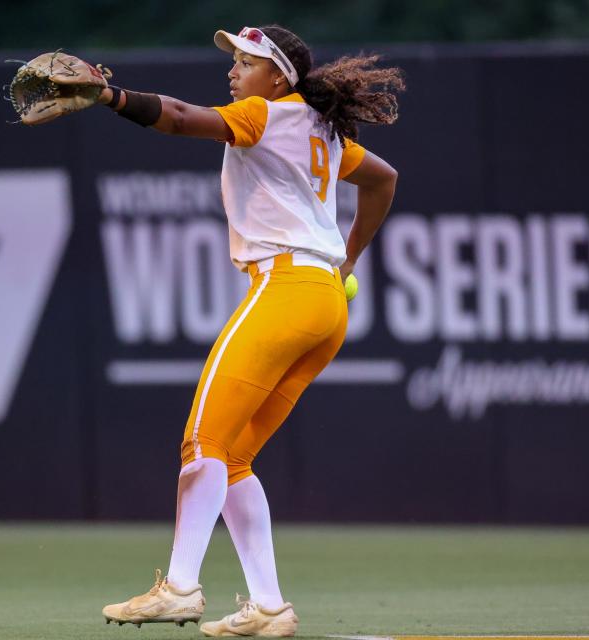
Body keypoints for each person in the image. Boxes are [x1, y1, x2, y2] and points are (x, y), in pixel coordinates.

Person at [99, 24, 402, 637]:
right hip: (326, 305)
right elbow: (384, 179)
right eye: (234, 62)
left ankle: (180, 586)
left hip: (285, 288)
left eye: (245, 62)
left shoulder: (265, 114)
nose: (233, 72)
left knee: (201, 443)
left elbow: (181, 120)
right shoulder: (320, 128)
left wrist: (111, 98)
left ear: (277, 76)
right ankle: (269, 606)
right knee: (234, 456)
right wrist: (348, 258)